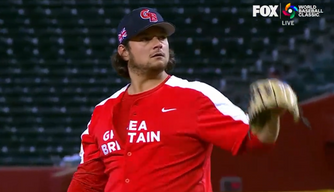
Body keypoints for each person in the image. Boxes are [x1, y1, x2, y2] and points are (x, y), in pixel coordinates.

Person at [67, 7, 299, 192]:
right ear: (124, 52)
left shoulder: (195, 96)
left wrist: (270, 117)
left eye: (162, 37)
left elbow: (256, 141)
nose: (158, 43)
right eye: (145, 38)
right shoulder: (103, 111)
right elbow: (88, 181)